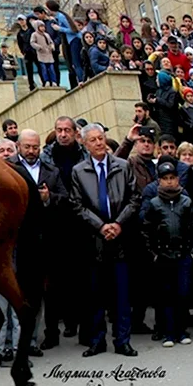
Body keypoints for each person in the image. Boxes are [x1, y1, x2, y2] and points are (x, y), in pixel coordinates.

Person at [70, 124, 140, 357]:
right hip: (94, 240)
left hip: (120, 238)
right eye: (93, 140)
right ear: (85, 144)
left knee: (122, 294)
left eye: (101, 138)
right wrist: (100, 226)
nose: (99, 143)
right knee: (95, 295)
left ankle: (123, 341)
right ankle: (97, 341)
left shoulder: (123, 166)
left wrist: (118, 223)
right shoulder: (78, 171)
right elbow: (77, 205)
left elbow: (134, 198)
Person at [14, 129, 68, 349]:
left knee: (50, 290)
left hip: (47, 239)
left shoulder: (51, 171)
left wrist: (48, 198)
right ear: (18, 147)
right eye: (27, 146)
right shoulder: (10, 168)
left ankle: (51, 333)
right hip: (21, 239)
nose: (31, 151)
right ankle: (26, 339)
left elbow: (65, 198)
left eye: (35, 147)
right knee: (26, 291)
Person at [141, 160, 193, 347]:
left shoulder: (186, 201)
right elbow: (146, 231)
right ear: (159, 181)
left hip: (183, 255)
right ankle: (169, 333)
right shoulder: (154, 204)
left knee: (182, 294)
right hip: (163, 256)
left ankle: (182, 331)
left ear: (177, 180)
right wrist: (154, 254)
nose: (169, 182)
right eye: (165, 178)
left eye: (172, 178)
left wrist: (192, 253)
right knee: (166, 295)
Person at [30, 20, 57, 86]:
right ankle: (46, 80)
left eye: (43, 26)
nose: (43, 28)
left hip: (49, 54)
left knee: (51, 69)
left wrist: (52, 47)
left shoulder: (46, 35)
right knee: (44, 69)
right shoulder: (34, 34)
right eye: (41, 26)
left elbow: (51, 42)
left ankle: (54, 81)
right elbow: (32, 43)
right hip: (41, 55)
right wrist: (39, 47)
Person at [16, 15, 37, 91]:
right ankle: (31, 85)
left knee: (40, 67)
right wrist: (23, 52)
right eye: (20, 21)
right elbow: (20, 44)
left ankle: (44, 81)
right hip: (27, 52)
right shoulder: (19, 33)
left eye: (22, 20)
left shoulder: (32, 30)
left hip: (35, 50)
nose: (21, 22)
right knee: (29, 70)